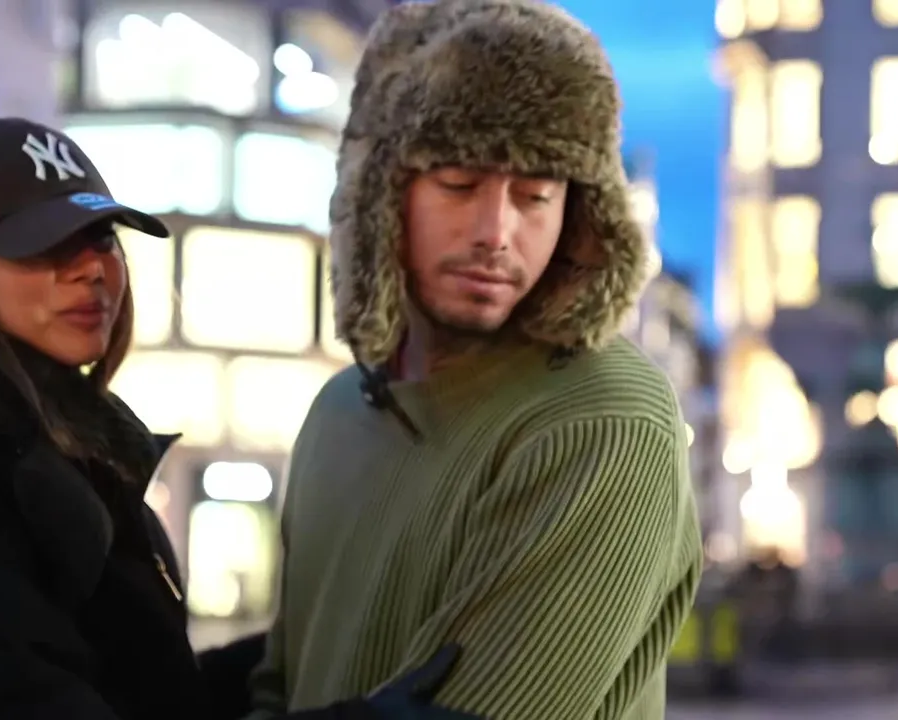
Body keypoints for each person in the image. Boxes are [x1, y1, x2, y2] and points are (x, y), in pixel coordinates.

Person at [0, 118, 476, 719]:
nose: (91, 269)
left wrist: (307, 648)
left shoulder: (48, 450)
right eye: (42, 244)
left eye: (102, 236)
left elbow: (141, 694)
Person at [247, 1, 704, 718]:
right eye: (458, 184)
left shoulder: (605, 417)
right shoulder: (339, 411)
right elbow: (280, 683)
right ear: (382, 196)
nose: (496, 231)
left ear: (579, 214)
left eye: (535, 195)